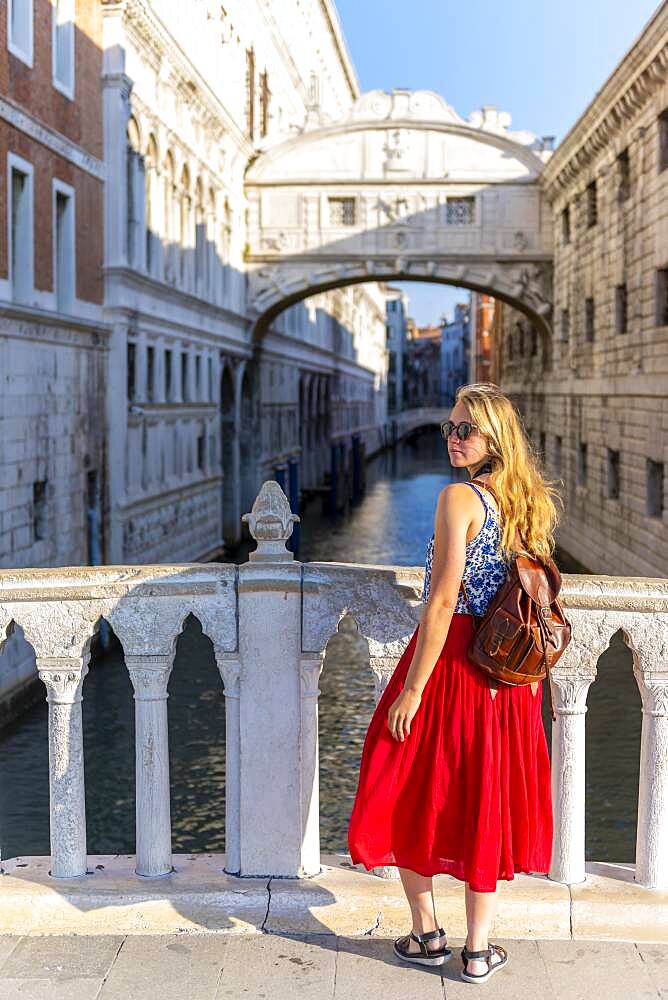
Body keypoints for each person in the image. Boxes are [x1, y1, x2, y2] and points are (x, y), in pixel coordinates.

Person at [347, 382, 562, 985]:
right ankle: (478, 949)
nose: (453, 438)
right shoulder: (529, 502)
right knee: (484, 797)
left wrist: (412, 689)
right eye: (449, 427)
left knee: (397, 780)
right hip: (510, 677)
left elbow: (441, 602)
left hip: (452, 665)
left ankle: (426, 932)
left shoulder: (458, 500)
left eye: (466, 429)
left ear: (495, 437)